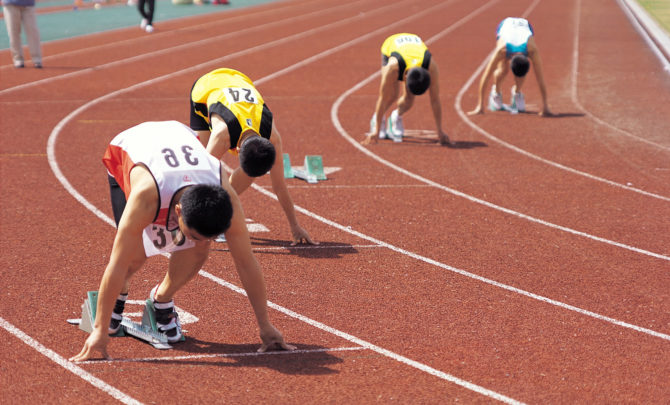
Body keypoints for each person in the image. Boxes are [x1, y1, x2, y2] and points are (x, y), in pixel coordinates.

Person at [70, 120, 295, 362]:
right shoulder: (146, 196)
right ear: (177, 211)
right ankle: (119, 296)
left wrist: (265, 324)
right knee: (133, 257)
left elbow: (246, 261)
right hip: (130, 149)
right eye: (195, 234)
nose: (199, 242)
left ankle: (161, 299)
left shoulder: (224, 190)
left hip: (180, 138)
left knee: (198, 250)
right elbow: (117, 262)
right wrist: (100, 331)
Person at [189, 68, 316, 246]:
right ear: (238, 149)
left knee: (251, 170)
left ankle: (221, 211)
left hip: (239, 79)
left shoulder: (272, 138)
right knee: (205, 170)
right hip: (206, 88)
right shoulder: (222, 135)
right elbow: (196, 177)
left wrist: (295, 226)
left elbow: (279, 186)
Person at [361, 33, 450, 146]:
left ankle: (395, 116)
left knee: (409, 100)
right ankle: (377, 119)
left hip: (412, 49)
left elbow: (435, 100)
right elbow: (382, 98)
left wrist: (440, 131)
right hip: (391, 45)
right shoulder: (392, 68)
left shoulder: (431, 67)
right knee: (392, 95)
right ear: (405, 77)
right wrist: (376, 131)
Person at [468, 17, 552, 116]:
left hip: (525, 26)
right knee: (502, 70)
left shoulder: (532, 51)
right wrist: (480, 106)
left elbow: (540, 78)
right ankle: (496, 92)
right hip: (505, 25)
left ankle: (517, 92)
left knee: (521, 72)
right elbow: (486, 76)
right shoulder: (501, 51)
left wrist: (545, 106)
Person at [2, 0, 42, 68]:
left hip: (28, 4)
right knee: (13, 32)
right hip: (10, 4)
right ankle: (18, 59)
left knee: (32, 32)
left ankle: (37, 59)